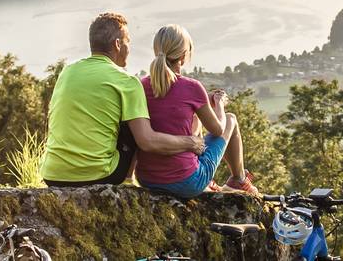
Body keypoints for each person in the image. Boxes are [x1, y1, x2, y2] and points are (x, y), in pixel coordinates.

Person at [41, 13, 204, 187]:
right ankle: (128, 179)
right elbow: (147, 141)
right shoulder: (127, 82)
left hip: (52, 175)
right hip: (98, 176)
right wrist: (190, 143)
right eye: (128, 41)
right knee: (135, 123)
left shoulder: (67, 72)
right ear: (118, 44)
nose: (129, 47)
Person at [136, 24, 258, 198]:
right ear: (184, 56)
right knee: (230, 119)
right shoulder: (192, 87)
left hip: (147, 179)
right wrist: (219, 104)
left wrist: (200, 103)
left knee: (195, 122)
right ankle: (239, 179)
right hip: (187, 182)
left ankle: (229, 180)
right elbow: (218, 130)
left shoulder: (140, 86)